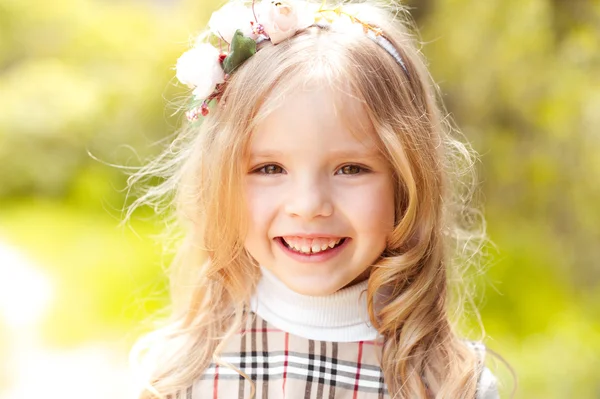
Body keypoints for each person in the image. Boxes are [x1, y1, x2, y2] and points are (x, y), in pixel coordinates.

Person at [127, 0, 503, 397]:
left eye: (351, 169)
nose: (307, 205)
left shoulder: (451, 386)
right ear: (220, 181)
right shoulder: (179, 376)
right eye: (270, 168)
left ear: (407, 181)